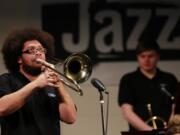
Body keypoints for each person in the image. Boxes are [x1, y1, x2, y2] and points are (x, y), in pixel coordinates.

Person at [0, 28, 77, 135]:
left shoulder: (51, 85)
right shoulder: (7, 80)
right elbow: (2, 108)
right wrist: (36, 84)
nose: (38, 53)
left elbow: (70, 118)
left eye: (41, 50)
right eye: (31, 50)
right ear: (19, 59)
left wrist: (59, 86)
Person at [118, 39, 178, 131]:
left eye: (151, 56)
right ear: (137, 57)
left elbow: (175, 108)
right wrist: (151, 131)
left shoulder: (170, 79)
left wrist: (168, 129)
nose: (146, 60)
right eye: (143, 56)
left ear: (158, 56)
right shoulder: (128, 80)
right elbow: (127, 112)